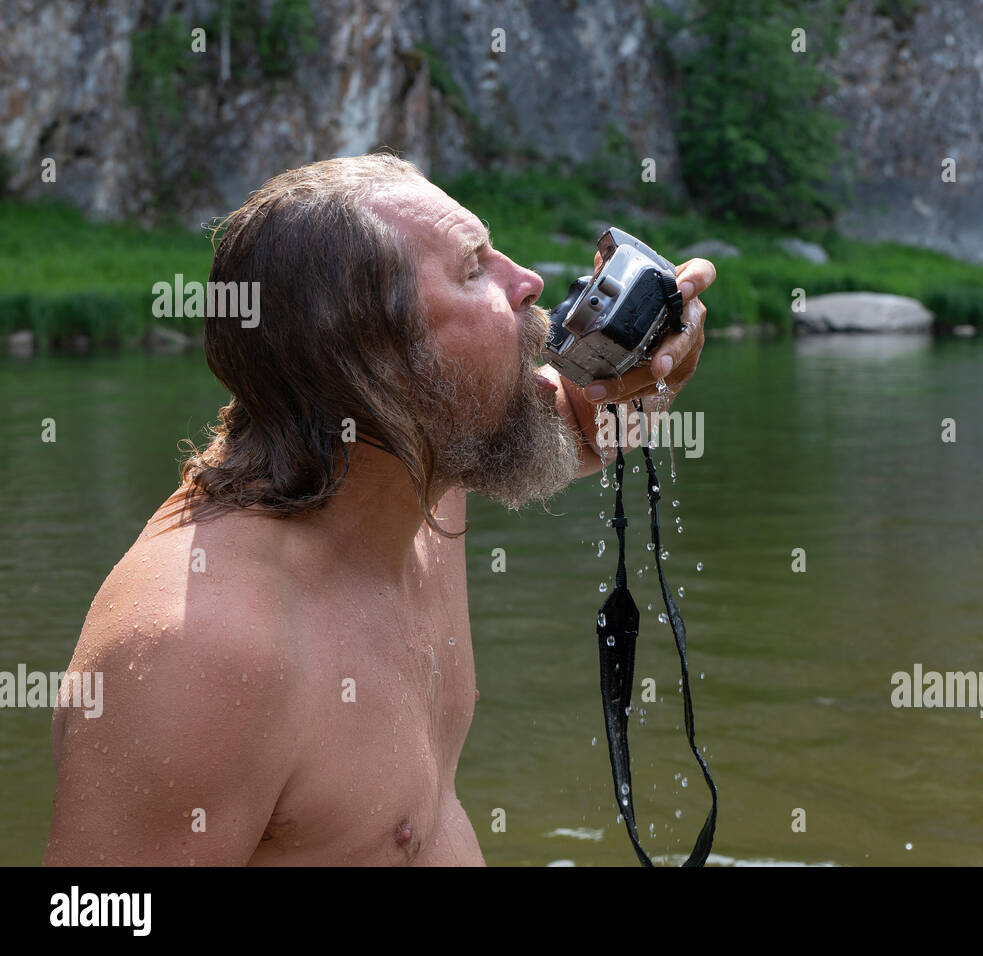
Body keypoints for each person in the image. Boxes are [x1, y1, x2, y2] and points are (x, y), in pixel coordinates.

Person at [43, 153, 713, 865]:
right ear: (381, 368)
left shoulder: (424, 468)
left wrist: (642, 358)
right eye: (472, 269)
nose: (529, 282)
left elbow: (586, 425)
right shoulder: (206, 650)